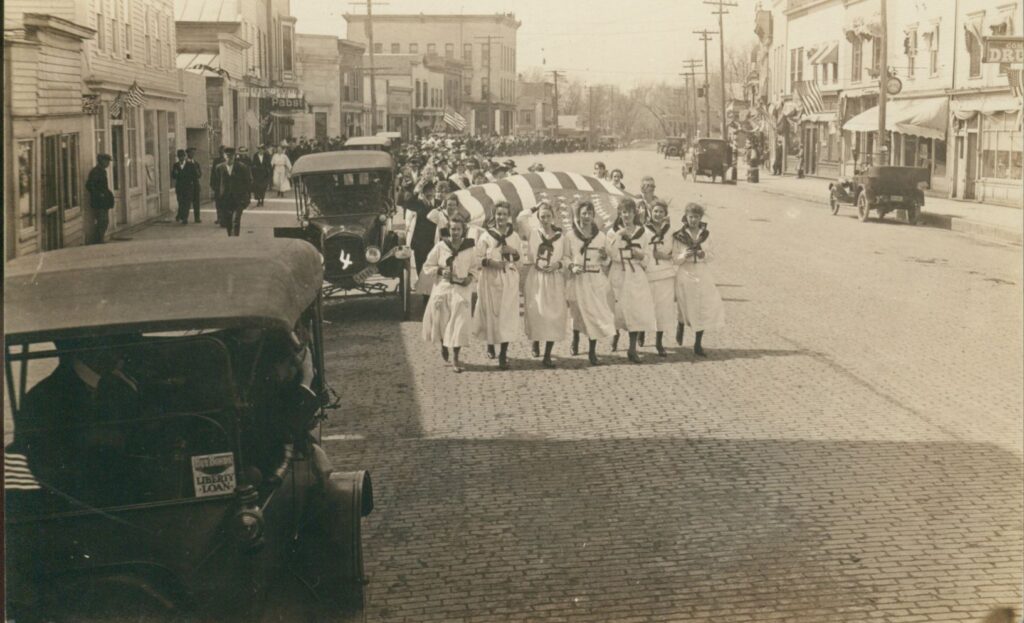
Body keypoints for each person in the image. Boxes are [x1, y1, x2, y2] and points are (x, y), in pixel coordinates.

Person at [421, 217, 479, 373]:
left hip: (461, 290)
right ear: (449, 230)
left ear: (463, 231)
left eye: (458, 229)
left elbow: (474, 267)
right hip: (443, 287)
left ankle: (455, 357)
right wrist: (440, 270)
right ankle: (443, 344)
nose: (455, 232)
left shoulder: (469, 248)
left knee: (459, 323)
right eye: (453, 229)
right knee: (442, 320)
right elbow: (427, 265)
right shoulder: (441, 246)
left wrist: (470, 278)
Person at [605, 198, 657, 363]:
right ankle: (616, 333)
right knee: (617, 308)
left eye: (630, 212)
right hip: (618, 272)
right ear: (620, 213)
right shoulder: (612, 232)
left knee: (636, 309)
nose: (627, 215)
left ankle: (632, 348)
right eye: (624, 212)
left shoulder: (644, 233)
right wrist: (618, 238)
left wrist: (639, 255)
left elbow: (648, 257)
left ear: (635, 213)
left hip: (635, 274)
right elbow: (609, 254)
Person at [473, 201, 523, 370]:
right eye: (498, 214)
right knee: (491, 313)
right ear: (494, 215)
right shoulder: (486, 236)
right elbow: (477, 258)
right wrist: (490, 262)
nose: (501, 217)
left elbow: (521, 261)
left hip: (508, 279)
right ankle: (490, 343)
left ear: (509, 216)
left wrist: (513, 252)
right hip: (489, 279)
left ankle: (503, 353)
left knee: (506, 316)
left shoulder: (514, 236)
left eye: (504, 214)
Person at [672, 203, 725, 356]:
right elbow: (675, 259)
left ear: (700, 218)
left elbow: (712, 254)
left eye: (696, 217)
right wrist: (684, 256)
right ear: (685, 217)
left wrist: (704, 255)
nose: (693, 220)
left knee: (703, 307)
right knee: (686, 305)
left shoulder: (706, 235)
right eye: (691, 217)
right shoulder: (679, 235)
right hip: (686, 273)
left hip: (702, 273)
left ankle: (697, 343)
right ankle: (681, 323)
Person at [566, 200, 615, 366]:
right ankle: (575, 339)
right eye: (584, 213)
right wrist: (572, 266)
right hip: (578, 280)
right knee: (577, 313)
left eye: (590, 213)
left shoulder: (601, 237)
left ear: (594, 215)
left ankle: (592, 350)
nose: (586, 217)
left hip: (595, 280)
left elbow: (608, 261)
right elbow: (565, 257)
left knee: (594, 316)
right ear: (578, 215)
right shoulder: (570, 236)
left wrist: (604, 256)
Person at [523, 202, 567, 368]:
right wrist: (535, 207)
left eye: (548, 216)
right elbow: (521, 218)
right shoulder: (533, 233)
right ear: (538, 218)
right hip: (536, 279)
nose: (545, 220)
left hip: (554, 279)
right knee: (537, 313)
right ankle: (535, 341)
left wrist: (557, 265)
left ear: (553, 217)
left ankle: (547, 354)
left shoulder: (561, 237)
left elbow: (567, 257)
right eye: (542, 217)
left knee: (553, 316)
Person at [642, 199, 677, 356]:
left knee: (663, 308)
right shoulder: (643, 230)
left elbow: (676, 251)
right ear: (650, 212)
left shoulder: (671, 231)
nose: (658, 214)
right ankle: (641, 330)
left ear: (665, 214)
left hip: (665, 274)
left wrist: (665, 255)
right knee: (646, 305)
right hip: (648, 273)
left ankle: (659, 342)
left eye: (661, 212)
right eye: (655, 211)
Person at [212, 147, 252, 237]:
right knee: (228, 221)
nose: (229, 158)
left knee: (236, 220)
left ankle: (234, 238)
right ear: (224, 156)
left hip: (238, 199)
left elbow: (248, 183)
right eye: (227, 156)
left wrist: (246, 197)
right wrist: (219, 196)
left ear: (234, 156)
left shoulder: (242, 168)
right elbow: (214, 183)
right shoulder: (219, 168)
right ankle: (231, 237)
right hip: (225, 200)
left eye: (231, 156)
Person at [86, 154, 115, 244]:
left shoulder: (101, 171)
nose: (108, 164)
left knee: (104, 221)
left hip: (103, 202)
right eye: (107, 161)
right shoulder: (96, 172)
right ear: (101, 160)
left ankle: (99, 239)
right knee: (102, 221)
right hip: (99, 202)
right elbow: (89, 185)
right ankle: (98, 240)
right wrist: (100, 195)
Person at [172, 149, 201, 224]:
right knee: (181, 202)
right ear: (178, 157)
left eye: (182, 156)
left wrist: (193, 184)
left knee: (187, 203)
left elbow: (195, 175)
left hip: (188, 187)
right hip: (179, 187)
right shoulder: (176, 165)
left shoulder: (190, 165)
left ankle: (185, 218)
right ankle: (181, 216)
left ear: (185, 156)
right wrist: (175, 174)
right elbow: (173, 176)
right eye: (179, 157)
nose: (181, 158)